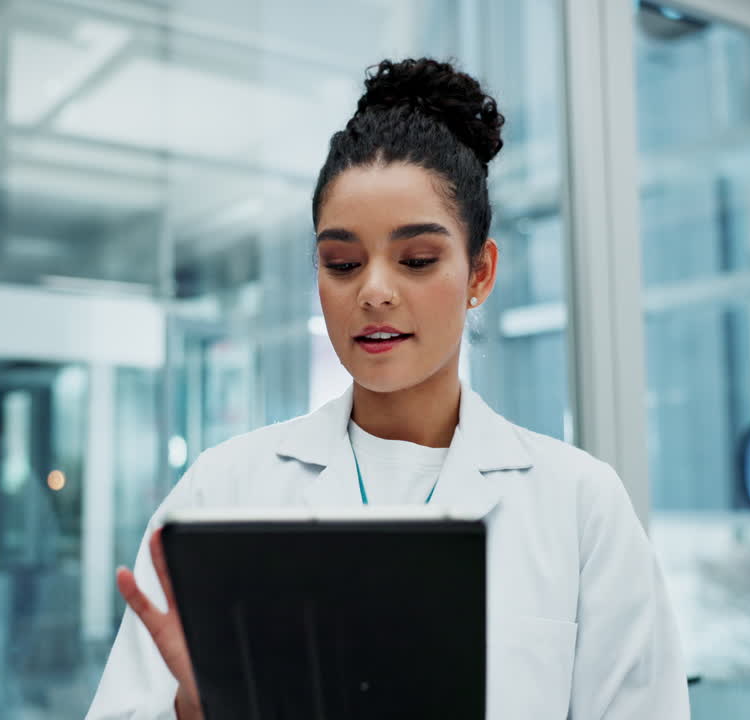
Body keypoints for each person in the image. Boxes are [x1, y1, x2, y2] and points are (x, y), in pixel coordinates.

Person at [86, 57, 690, 720]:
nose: (373, 291)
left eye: (418, 260)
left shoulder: (580, 507)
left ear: (480, 274)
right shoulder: (223, 491)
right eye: (342, 263)